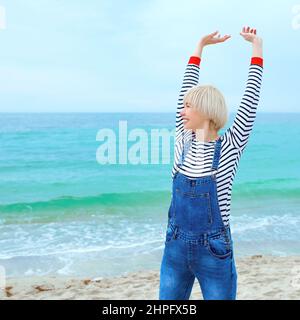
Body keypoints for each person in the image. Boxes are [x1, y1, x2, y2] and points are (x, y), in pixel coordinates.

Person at [159, 26, 264, 300]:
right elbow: (187, 83)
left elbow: (250, 102)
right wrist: (200, 47)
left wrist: (257, 47)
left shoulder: (230, 146)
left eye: (188, 106)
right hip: (175, 246)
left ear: (206, 111)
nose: (181, 111)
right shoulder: (182, 139)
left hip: (214, 251)